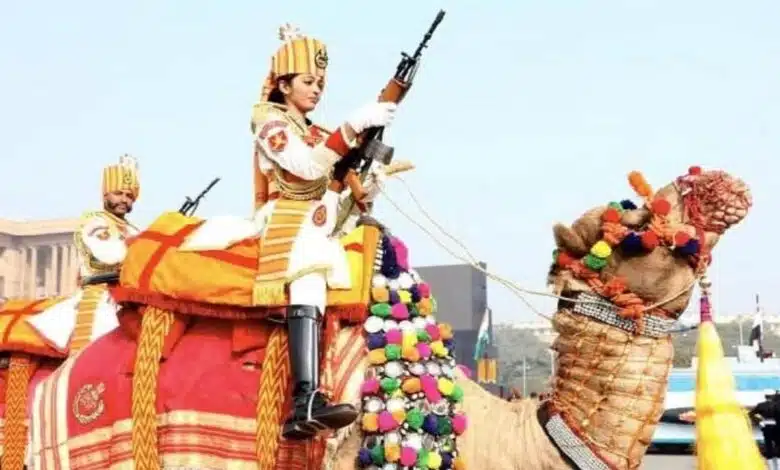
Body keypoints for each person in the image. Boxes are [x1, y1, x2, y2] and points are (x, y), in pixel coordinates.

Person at [249, 24, 397, 440]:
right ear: (283, 83)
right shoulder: (267, 121)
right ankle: (304, 399)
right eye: (309, 82)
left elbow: (343, 197)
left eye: (321, 83)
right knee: (310, 273)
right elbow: (308, 168)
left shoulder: (316, 130)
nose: (317, 90)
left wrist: (369, 177)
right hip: (284, 221)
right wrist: (355, 123)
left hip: (316, 219)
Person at [29, 154, 141, 354]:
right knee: (100, 345)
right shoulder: (95, 223)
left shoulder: (134, 230)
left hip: (127, 295)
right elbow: (111, 255)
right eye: (118, 193)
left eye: (129, 195)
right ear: (105, 195)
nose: (124, 199)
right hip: (100, 297)